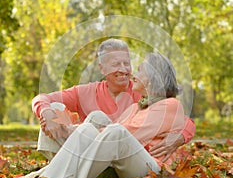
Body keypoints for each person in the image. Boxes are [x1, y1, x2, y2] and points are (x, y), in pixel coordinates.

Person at [32, 38, 195, 163]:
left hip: (120, 159)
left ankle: (58, 173)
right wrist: (46, 113)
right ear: (102, 68)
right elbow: (42, 98)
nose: (124, 70)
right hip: (88, 152)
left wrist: (180, 136)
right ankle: (57, 168)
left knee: (98, 119)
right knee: (53, 108)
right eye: (116, 64)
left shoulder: (142, 93)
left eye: (127, 63)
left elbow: (182, 119)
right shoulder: (85, 92)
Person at [39, 52, 187, 178]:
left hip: (153, 171)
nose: (134, 74)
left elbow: (130, 134)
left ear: (153, 77)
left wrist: (69, 130)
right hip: (125, 166)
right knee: (90, 126)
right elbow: (109, 135)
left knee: (116, 132)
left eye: (141, 70)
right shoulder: (136, 107)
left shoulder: (170, 105)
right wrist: (75, 129)